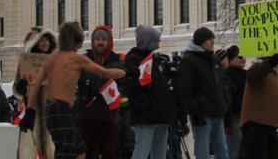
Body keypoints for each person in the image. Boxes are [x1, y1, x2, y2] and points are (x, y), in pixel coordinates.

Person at [18, 22, 126, 159]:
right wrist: (125, 72)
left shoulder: (51, 59)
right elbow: (106, 73)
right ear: (77, 39)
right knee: (66, 153)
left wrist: (30, 111)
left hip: (51, 110)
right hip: (63, 110)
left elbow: (34, 85)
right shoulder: (76, 59)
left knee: (80, 152)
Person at [124, 25, 179, 159]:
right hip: (146, 116)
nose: (159, 42)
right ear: (149, 40)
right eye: (157, 39)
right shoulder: (135, 59)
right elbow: (133, 87)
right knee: (142, 152)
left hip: (160, 115)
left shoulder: (153, 59)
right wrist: (148, 104)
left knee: (159, 153)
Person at [174, 27, 229, 159]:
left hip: (218, 113)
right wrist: (195, 112)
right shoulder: (189, 60)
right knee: (202, 151)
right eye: (210, 39)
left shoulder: (214, 59)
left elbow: (222, 85)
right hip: (202, 114)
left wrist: (224, 105)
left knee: (222, 151)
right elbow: (184, 90)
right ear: (201, 41)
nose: (213, 41)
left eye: (213, 38)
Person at [75, 25, 124, 159]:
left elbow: (124, 87)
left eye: (103, 39)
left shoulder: (119, 63)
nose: (100, 42)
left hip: (108, 117)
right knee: (86, 152)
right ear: (93, 41)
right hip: (85, 116)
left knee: (109, 152)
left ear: (109, 42)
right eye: (98, 39)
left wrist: (112, 90)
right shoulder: (82, 60)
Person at [239, 53, 278, 159]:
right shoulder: (256, 67)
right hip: (255, 126)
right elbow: (253, 79)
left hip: (272, 126)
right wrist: (269, 64)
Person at [15, 28, 57, 159]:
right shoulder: (26, 63)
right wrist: (21, 87)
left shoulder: (55, 61)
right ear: (34, 43)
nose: (45, 43)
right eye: (41, 41)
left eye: (47, 40)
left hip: (53, 112)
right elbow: (16, 90)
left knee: (53, 150)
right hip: (32, 114)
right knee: (29, 151)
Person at [222, 45, 246, 159]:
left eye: (244, 56)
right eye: (240, 57)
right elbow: (227, 99)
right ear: (231, 59)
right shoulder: (228, 75)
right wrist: (228, 121)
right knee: (234, 151)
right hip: (235, 118)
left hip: (245, 118)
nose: (243, 59)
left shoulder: (245, 74)